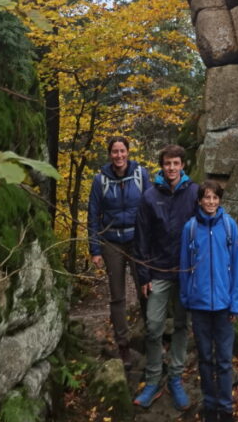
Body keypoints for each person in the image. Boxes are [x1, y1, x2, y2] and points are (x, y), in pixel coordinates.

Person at [133, 143, 199, 410]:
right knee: (153, 326)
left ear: (182, 165)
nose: (171, 168)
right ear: (161, 166)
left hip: (185, 272)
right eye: (167, 164)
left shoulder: (194, 193)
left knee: (182, 325)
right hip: (158, 271)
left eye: (176, 163)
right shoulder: (149, 197)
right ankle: (152, 378)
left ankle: (175, 378)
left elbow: (203, 232)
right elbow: (141, 238)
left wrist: (198, 271)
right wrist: (144, 275)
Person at [179, 180, 238, 422]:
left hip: (225, 307)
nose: (211, 202)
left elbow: (237, 266)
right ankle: (210, 405)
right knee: (205, 359)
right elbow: (184, 266)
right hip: (199, 306)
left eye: (215, 198)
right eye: (207, 198)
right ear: (199, 200)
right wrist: (186, 298)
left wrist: (235, 303)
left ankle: (226, 408)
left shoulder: (229, 226)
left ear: (220, 200)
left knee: (224, 360)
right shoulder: (190, 228)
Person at [87, 136, 151, 368]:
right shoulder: (100, 180)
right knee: (117, 295)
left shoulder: (140, 175)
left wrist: (151, 241)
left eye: (122, 151)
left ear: (128, 152)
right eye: (115, 151)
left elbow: (151, 206)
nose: (119, 155)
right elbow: (92, 215)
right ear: (110, 154)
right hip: (111, 241)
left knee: (146, 288)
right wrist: (94, 249)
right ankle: (123, 345)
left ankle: (151, 338)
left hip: (137, 240)